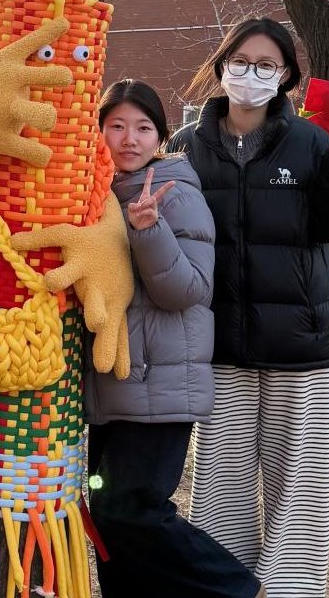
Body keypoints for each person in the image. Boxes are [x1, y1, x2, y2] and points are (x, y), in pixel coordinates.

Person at [166, 18, 329, 597]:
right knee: (221, 488)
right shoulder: (186, 146)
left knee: (300, 493)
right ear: (221, 65)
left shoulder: (311, 142)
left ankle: (290, 589)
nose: (251, 74)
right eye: (240, 61)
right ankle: (226, 589)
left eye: (267, 64)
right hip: (220, 348)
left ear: (287, 75)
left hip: (301, 350)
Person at [86, 79, 263, 598]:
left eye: (143, 128)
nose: (129, 139)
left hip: (160, 382)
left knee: (131, 509)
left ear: (161, 137)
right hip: (111, 382)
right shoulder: (96, 194)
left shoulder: (174, 191)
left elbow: (188, 289)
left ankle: (239, 589)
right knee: (108, 517)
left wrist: (149, 230)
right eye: (116, 126)